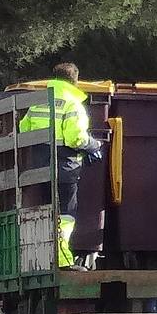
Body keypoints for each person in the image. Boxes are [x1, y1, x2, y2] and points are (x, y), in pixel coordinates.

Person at [17, 62, 105, 270]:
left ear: (53, 78)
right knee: (65, 215)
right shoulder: (72, 104)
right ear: (74, 81)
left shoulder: (38, 103)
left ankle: (39, 259)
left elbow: (23, 129)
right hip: (65, 169)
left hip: (38, 171)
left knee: (43, 213)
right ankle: (62, 259)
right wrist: (94, 146)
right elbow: (76, 139)